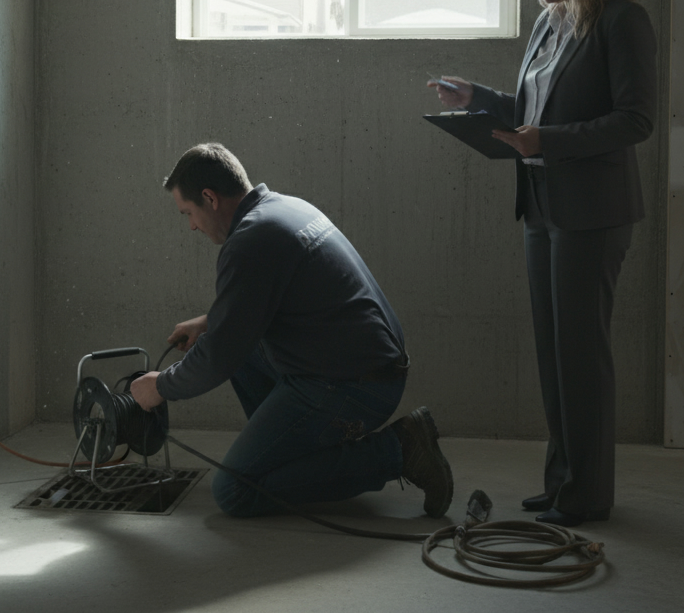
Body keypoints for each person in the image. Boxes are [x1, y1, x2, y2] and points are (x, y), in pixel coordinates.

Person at [428, 0, 656, 528]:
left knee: (582, 356)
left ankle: (587, 494)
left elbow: (635, 120)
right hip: (542, 207)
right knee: (555, 355)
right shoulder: (549, 23)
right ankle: (562, 486)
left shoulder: (622, 20)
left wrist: (545, 142)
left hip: (593, 213)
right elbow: (537, 109)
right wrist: (479, 99)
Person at [129, 143, 454, 518]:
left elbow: (218, 358)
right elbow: (269, 300)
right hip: (365, 365)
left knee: (235, 490)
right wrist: (210, 321)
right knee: (238, 345)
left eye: (189, 213)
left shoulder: (248, 242)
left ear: (210, 198)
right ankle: (290, 450)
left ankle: (399, 450)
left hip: (355, 386)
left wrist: (160, 386)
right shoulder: (284, 209)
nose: (191, 226)